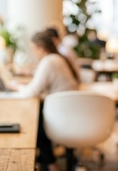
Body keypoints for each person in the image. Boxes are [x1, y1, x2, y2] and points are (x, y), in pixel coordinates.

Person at [17, 30, 80, 171]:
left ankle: (51, 165)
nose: (34, 53)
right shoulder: (58, 58)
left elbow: (32, 91)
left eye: (34, 49)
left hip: (61, 115)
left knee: (35, 123)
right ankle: (48, 162)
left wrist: (17, 87)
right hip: (71, 113)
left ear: (40, 47)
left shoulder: (49, 61)